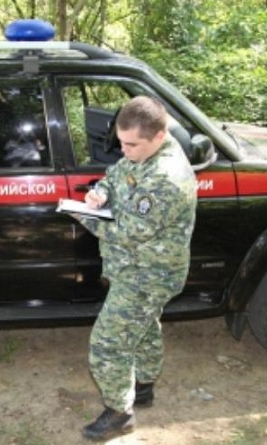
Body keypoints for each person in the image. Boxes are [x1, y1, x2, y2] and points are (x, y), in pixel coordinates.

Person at [72, 96, 198, 441]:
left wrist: (82, 213)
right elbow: (116, 175)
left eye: (131, 144)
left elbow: (127, 233)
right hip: (138, 268)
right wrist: (99, 193)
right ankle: (143, 387)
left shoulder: (165, 179)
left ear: (159, 137)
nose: (123, 150)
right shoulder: (144, 152)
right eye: (121, 141)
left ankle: (119, 413)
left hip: (148, 274)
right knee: (143, 326)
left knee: (108, 343)